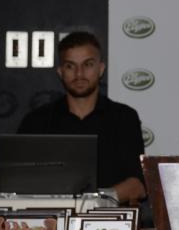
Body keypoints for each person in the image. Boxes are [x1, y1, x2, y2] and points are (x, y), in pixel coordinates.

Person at [16, 32, 146, 204]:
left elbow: (138, 186)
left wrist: (95, 201)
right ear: (60, 72)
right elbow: (9, 184)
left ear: (101, 69)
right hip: (50, 217)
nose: (79, 74)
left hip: (109, 218)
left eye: (88, 64)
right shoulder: (36, 121)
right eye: (70, 66)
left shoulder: (124, 118)